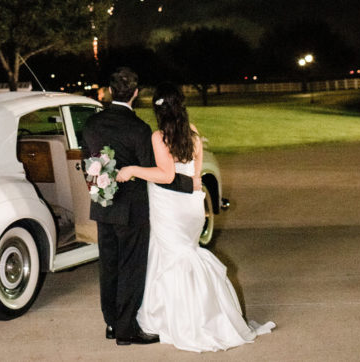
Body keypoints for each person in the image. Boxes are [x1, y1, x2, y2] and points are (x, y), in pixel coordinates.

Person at [116, 82, 276, 353]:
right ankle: (204, 313)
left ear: (159, 111)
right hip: (190, 206)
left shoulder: (158, 137)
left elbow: (166, 175)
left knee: (169, 256)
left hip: (168, 206)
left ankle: (179, 319)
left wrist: (132, 169)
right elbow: (195, 179)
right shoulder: (193, 133)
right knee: (185, 252)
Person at [82, 67, 198, 346]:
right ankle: (126, 329)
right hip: (132, 209)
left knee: (108, 266)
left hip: (102, 204)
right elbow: (152, 171)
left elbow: (88, 165)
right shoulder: (139, 129)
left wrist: (100, 186)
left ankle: (111, 323)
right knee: (130, 267)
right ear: (135, 93)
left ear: (110, 92)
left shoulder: (90, 125)